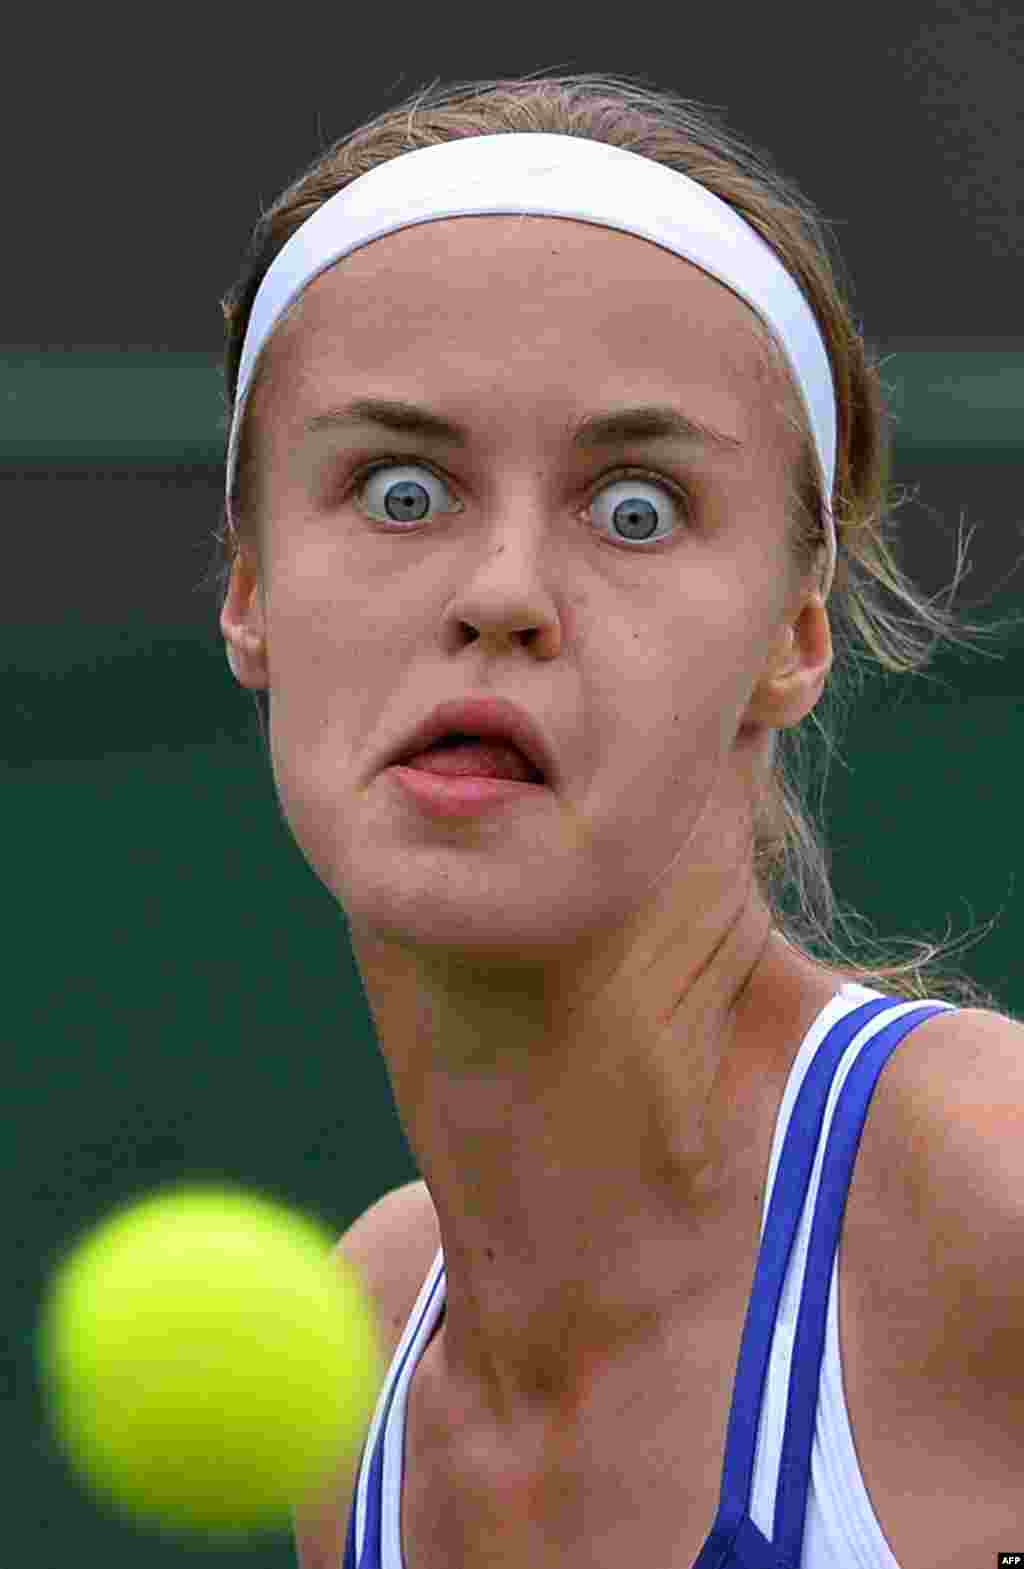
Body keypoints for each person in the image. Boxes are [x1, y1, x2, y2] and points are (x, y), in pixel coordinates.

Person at [214, 71, 1024, 1569]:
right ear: (252, 588)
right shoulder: (364, 1354)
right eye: (400, 490)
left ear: (796, 632)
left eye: (636, 506)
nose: (503, 592)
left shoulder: (994, 1192)